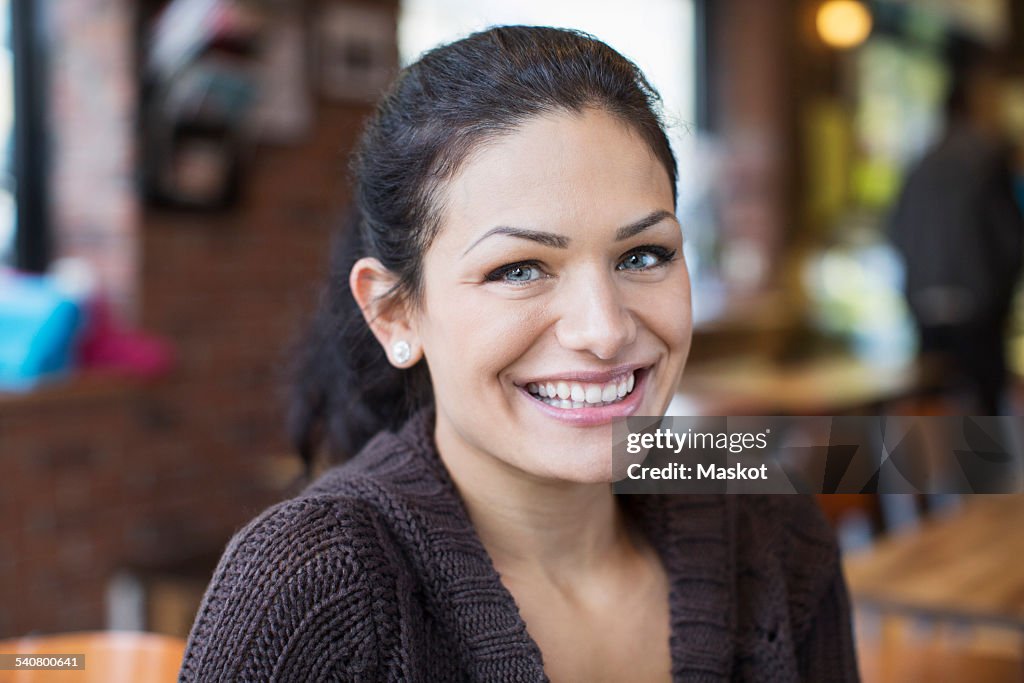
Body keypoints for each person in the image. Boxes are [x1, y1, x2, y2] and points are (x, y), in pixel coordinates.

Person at [179, 26, 859, 682]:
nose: (603, 330)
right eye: (519, 269)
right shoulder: (309, 582)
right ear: (393, 311)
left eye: (643, 255)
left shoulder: (771, 528)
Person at [889, 52, 1024, 414]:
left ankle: (936, 471)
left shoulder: (919, 162)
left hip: (924, 302)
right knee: (981, 403)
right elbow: (1009, 235)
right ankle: (980, 472)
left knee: (932, 397)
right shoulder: (989, 156)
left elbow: (897, 230)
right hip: (978, 301)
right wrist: (1003, 289)